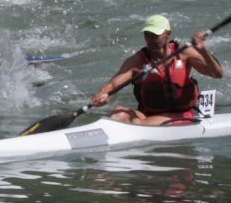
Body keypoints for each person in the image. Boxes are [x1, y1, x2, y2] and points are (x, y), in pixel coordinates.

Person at [88, 15, 223, 125]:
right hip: (148, 114)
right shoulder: (137, 61)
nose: (151, 40)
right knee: (118, 114)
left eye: (155, 35)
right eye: (147, 35)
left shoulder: (185, 53)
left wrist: (203, 51)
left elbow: (217, 73)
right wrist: (101, 96)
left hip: (181, 114)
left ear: (167, 34)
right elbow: (112, 86)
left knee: (143, 123)